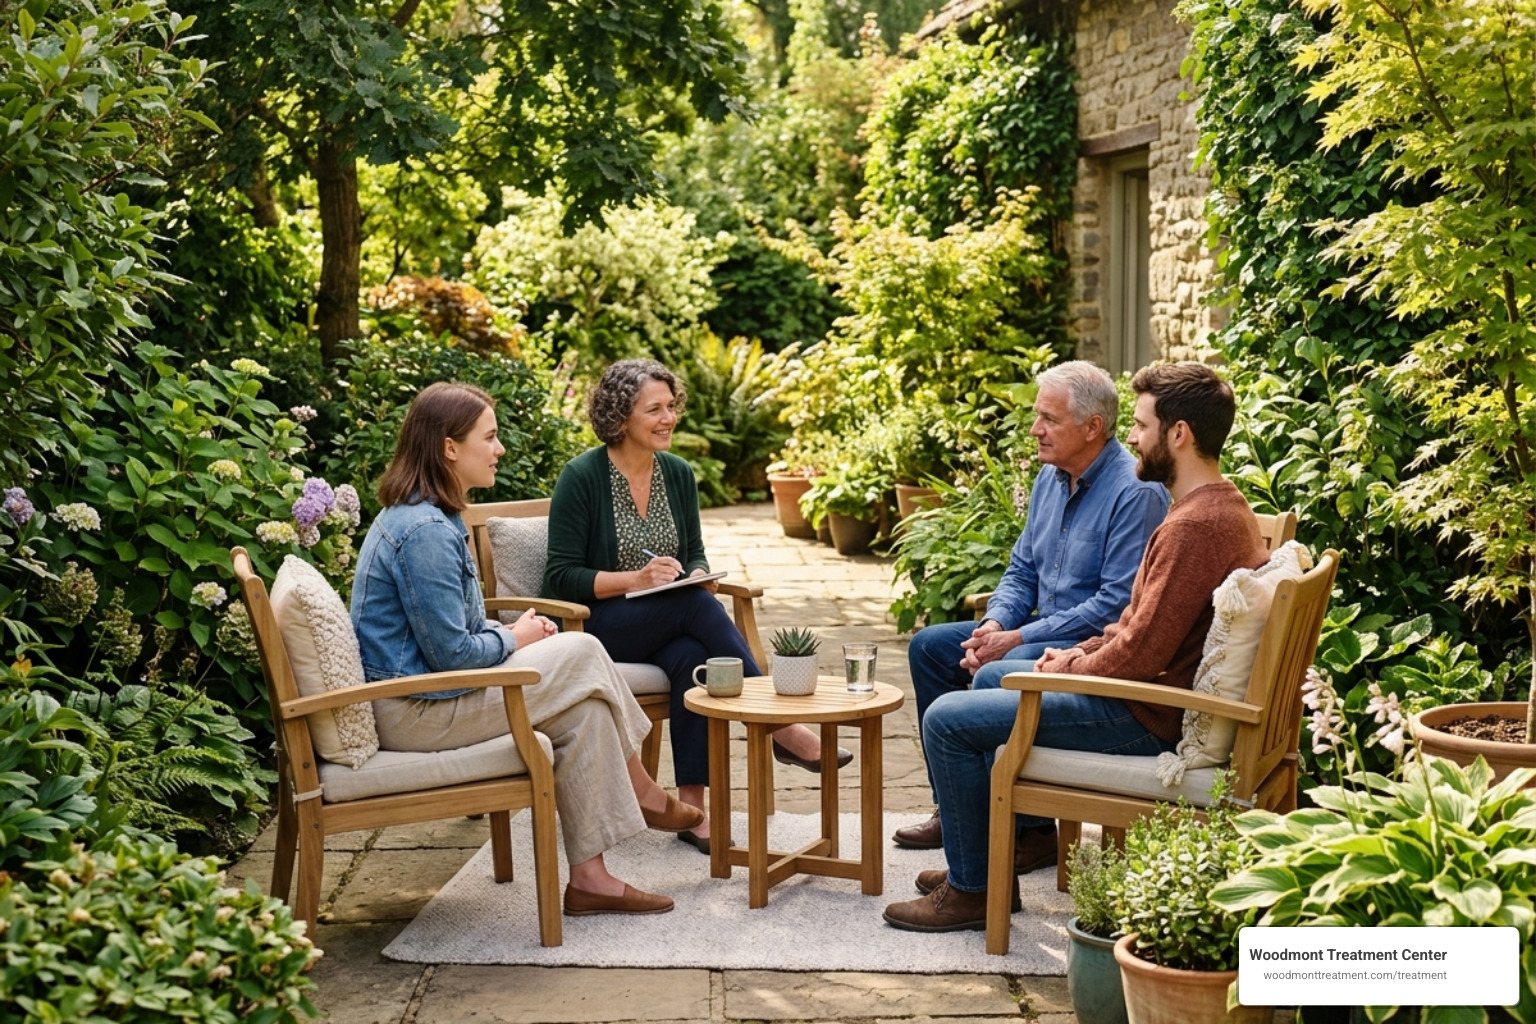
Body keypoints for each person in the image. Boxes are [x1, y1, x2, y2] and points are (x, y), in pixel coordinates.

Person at [882, 361, 1270, 932]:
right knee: (968, 670)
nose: (1131, 437)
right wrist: (1061, 651)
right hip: (1145, 694)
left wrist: (1070, 659)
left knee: (949, 720)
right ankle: (984, 862)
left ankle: (975, 890)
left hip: (1145, 715)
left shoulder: (1192, 525)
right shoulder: (1209, 508)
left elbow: (1140, 649)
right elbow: (1134, 627)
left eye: (1140, 426)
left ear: (1178, 434)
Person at [350, 381, 704, 917]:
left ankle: (591, 881)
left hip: (436, 696)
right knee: (582, 651)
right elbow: (453, 659)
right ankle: (646, 793)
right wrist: (513, 637)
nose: (500, 450)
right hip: (416, 711)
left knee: (583, 709)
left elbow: (454, 640)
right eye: (489, 438)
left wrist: (516, 636)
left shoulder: (433, 516)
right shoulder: (423, 530)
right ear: (450, 447)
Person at [544, 359, 848, 855]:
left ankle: (693, 811)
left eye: (671, 407)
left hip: (666, 618)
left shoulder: (678, 474)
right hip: (598, 628)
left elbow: (694, 552)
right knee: (693, 609)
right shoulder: (582, 476)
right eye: (654, 410)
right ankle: (777, 723)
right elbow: (559, 577)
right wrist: (635, 580)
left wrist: (698, 574)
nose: (668, 418)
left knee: (692, 657)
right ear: (620, 418)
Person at [894, 361, 1168, 866]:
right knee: (932, 647)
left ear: (1093, 428)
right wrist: (996, 624)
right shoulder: (1049, 478)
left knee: (995, 671)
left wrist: (1017, 638)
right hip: (1038, 630)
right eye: (1036, 416)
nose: (1034, 430)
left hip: (1089, 646)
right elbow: (1022, 570)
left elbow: (1114, 605)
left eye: (1048, 419)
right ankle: (957, 810)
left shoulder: (1136, 492)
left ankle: (1027, 830)